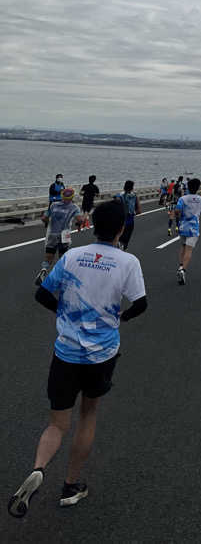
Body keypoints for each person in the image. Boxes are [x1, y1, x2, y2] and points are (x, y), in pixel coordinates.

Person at [8, 200, 147, 518]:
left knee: (57, 423)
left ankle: (40, 469)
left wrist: (65, 312)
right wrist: (120, 319)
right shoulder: (127, 262)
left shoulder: (71, 256)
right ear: (121, 229)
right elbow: (141, 303)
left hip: (66, 352)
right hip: (101, 354)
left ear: (93, 225)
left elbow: (42, 293)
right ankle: (70, 486)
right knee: (88, 414)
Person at [35, 188, 81, 286]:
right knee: (62, 257)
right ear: (72, 196)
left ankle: (43, 271)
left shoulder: (53, 205)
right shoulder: (74, 207)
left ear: (62, 195)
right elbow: (79, 219)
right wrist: (80, 223)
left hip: (52, 233)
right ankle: (60, 278)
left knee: (49, 256)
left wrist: (46, 221)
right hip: (65, 234)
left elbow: (44, 218)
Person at [175, 178, 201, 283]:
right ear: (198, 188)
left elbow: (177, 210)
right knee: (189, 250)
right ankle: (183, 270)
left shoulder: (182, 198)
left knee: (183, 246)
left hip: (183, 226)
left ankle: (180, 265)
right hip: (194, 228)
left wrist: (179, 216)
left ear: (188, 187)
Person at [115, 181, 141, 251]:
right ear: (132, 188)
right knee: (125, 242)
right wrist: (132, 213)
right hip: (130, 222)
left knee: (117, 239)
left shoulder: (119, 196)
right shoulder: (135, 196)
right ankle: (123, 251)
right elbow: (139, 211)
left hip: (120, 222)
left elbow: (115, 209)